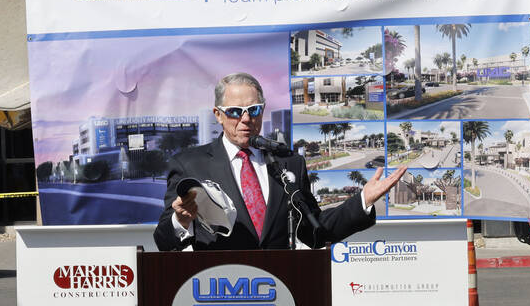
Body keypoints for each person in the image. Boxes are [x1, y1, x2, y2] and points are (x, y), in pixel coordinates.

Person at [153, 72, 407, 251]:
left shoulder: (288, 162)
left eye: (253, 110)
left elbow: (314, 231)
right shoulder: (190, 165)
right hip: (219, 290)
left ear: (262, 111)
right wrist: (181, 221)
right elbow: (164, 239)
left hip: (280, 289)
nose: (245, 119)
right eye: (234, 112)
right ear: (218, 115)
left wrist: (363, 201)